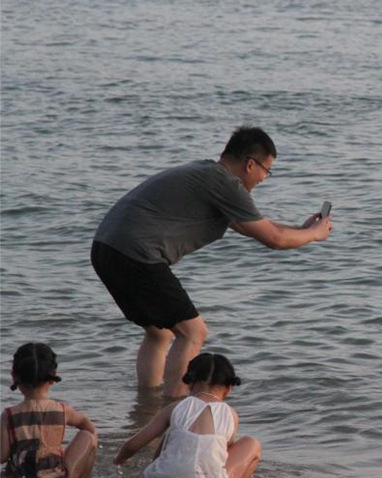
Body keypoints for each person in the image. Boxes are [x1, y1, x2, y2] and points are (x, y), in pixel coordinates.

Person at [92, 126, 333, 397]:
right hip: (136, 255)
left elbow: (250, 226)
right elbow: (274, 240)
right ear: (250, 164)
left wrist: (300, 231)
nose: (265, 178)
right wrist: (314, 235)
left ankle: (147, 404)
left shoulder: (207, 174)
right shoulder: (226, 184)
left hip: (107, 249)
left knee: (160, 332)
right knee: (193, 333)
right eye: (267, 171)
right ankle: (177, 407)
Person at [115, 353, 261, 478]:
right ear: (229, 388)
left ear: (189, 383)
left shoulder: (175, 407)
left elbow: (133, 445)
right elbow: (225, 455)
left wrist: (119, 461)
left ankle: (162, 471)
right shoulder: (230, 414)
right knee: (251, 443)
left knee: (171, 435)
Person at [1, 343, 98, 478]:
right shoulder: (63, 410)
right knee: (88, 436)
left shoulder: (8, 415)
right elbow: (88, 426)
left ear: (14, 376)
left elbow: (2, 456)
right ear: (53, 376)